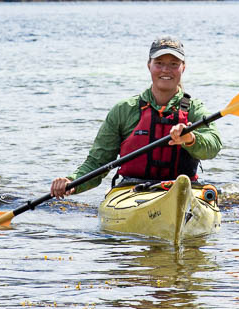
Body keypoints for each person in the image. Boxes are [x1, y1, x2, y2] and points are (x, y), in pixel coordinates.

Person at [50, 36, 223, 197]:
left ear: (183, 68)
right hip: (132, 190)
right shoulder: (124, 110)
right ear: (149, 65)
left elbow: (213, 145)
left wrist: (190, 138)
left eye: (173, 64)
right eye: (159, 63)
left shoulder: (194, 108)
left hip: (182, 189)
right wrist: (72, 182)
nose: (166, 70)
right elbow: (97, 163)